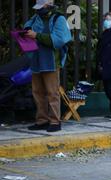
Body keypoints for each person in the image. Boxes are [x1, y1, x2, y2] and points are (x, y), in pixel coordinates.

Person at [24, 0, 71, 132]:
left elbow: (59, 39)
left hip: (51, 61)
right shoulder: (36, 17)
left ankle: (55, 122)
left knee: (52, 92)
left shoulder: (59, 18)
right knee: (37, 92)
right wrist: (26, 31)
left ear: (49, 4)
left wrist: (36, 35)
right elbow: (27, 26)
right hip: (36, 59)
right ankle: (42, 120)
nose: (39, 9)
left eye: (41, 6)